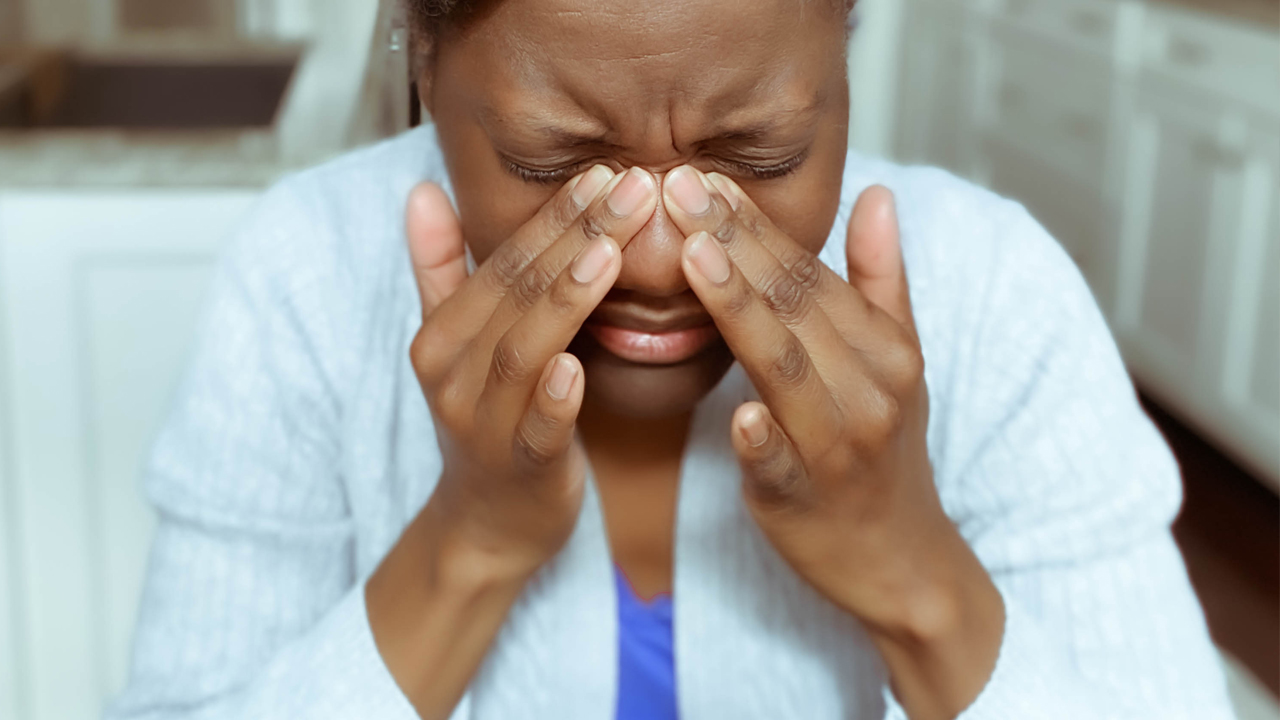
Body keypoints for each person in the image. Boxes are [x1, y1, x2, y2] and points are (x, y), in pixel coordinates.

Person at [105, 0, 1236, 718]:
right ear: (424, 62)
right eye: (557, 164)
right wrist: (470, 543)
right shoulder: (306, 276)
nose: (654, 262)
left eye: (759, 153)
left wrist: (909, 571)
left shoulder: (994, 295)